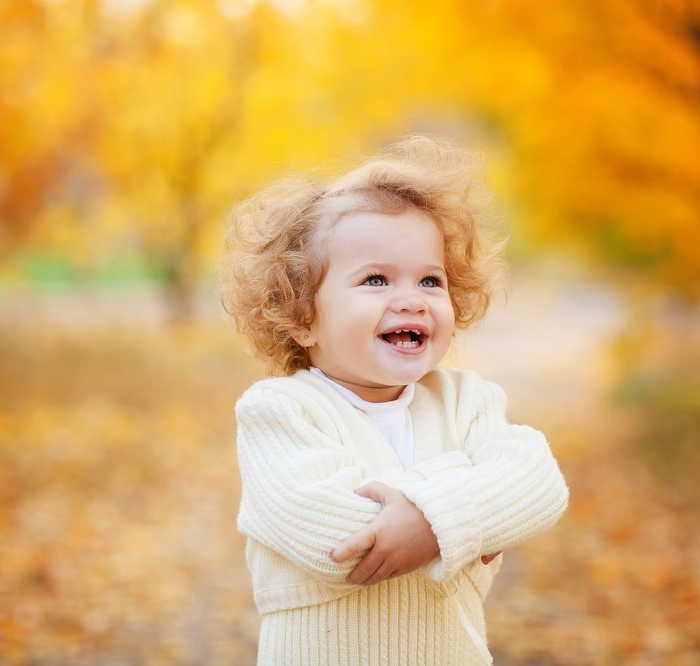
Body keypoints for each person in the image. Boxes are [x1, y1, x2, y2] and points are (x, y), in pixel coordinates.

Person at [221, 136, 569, 665]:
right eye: (376, 279)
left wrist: (430, 521)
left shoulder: (464, 401)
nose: (411, 299)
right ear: (301, 317)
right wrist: (473, 504)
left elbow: (538, 485)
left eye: (431, 279)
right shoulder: (281, 412)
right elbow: (340, 546)